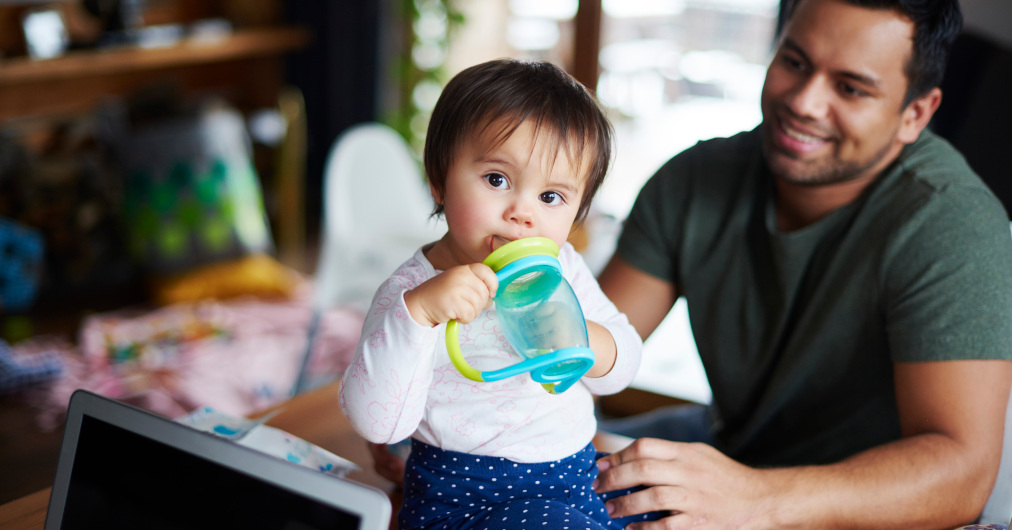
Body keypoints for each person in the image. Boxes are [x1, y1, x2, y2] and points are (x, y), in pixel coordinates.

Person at [590, 0, 1012, 527]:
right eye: (794, 61)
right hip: (736, 449)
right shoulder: (694, 180)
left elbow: (963, 473)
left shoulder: (952, 222)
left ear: (916, 114)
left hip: (877, 502)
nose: (805, 101)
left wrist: (756, 499)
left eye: (851, 88)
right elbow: (580, 359)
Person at [340, 59, 654, 529]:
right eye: (497, 180)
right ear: (438, 179)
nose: (522, 213)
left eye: (551, 198)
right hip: (464, 498)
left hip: (570, 477)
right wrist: (421, 314)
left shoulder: (562, 267)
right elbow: (377, 424)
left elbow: (621, 369)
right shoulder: (411, 292)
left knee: (673, 507)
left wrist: (581, 337)